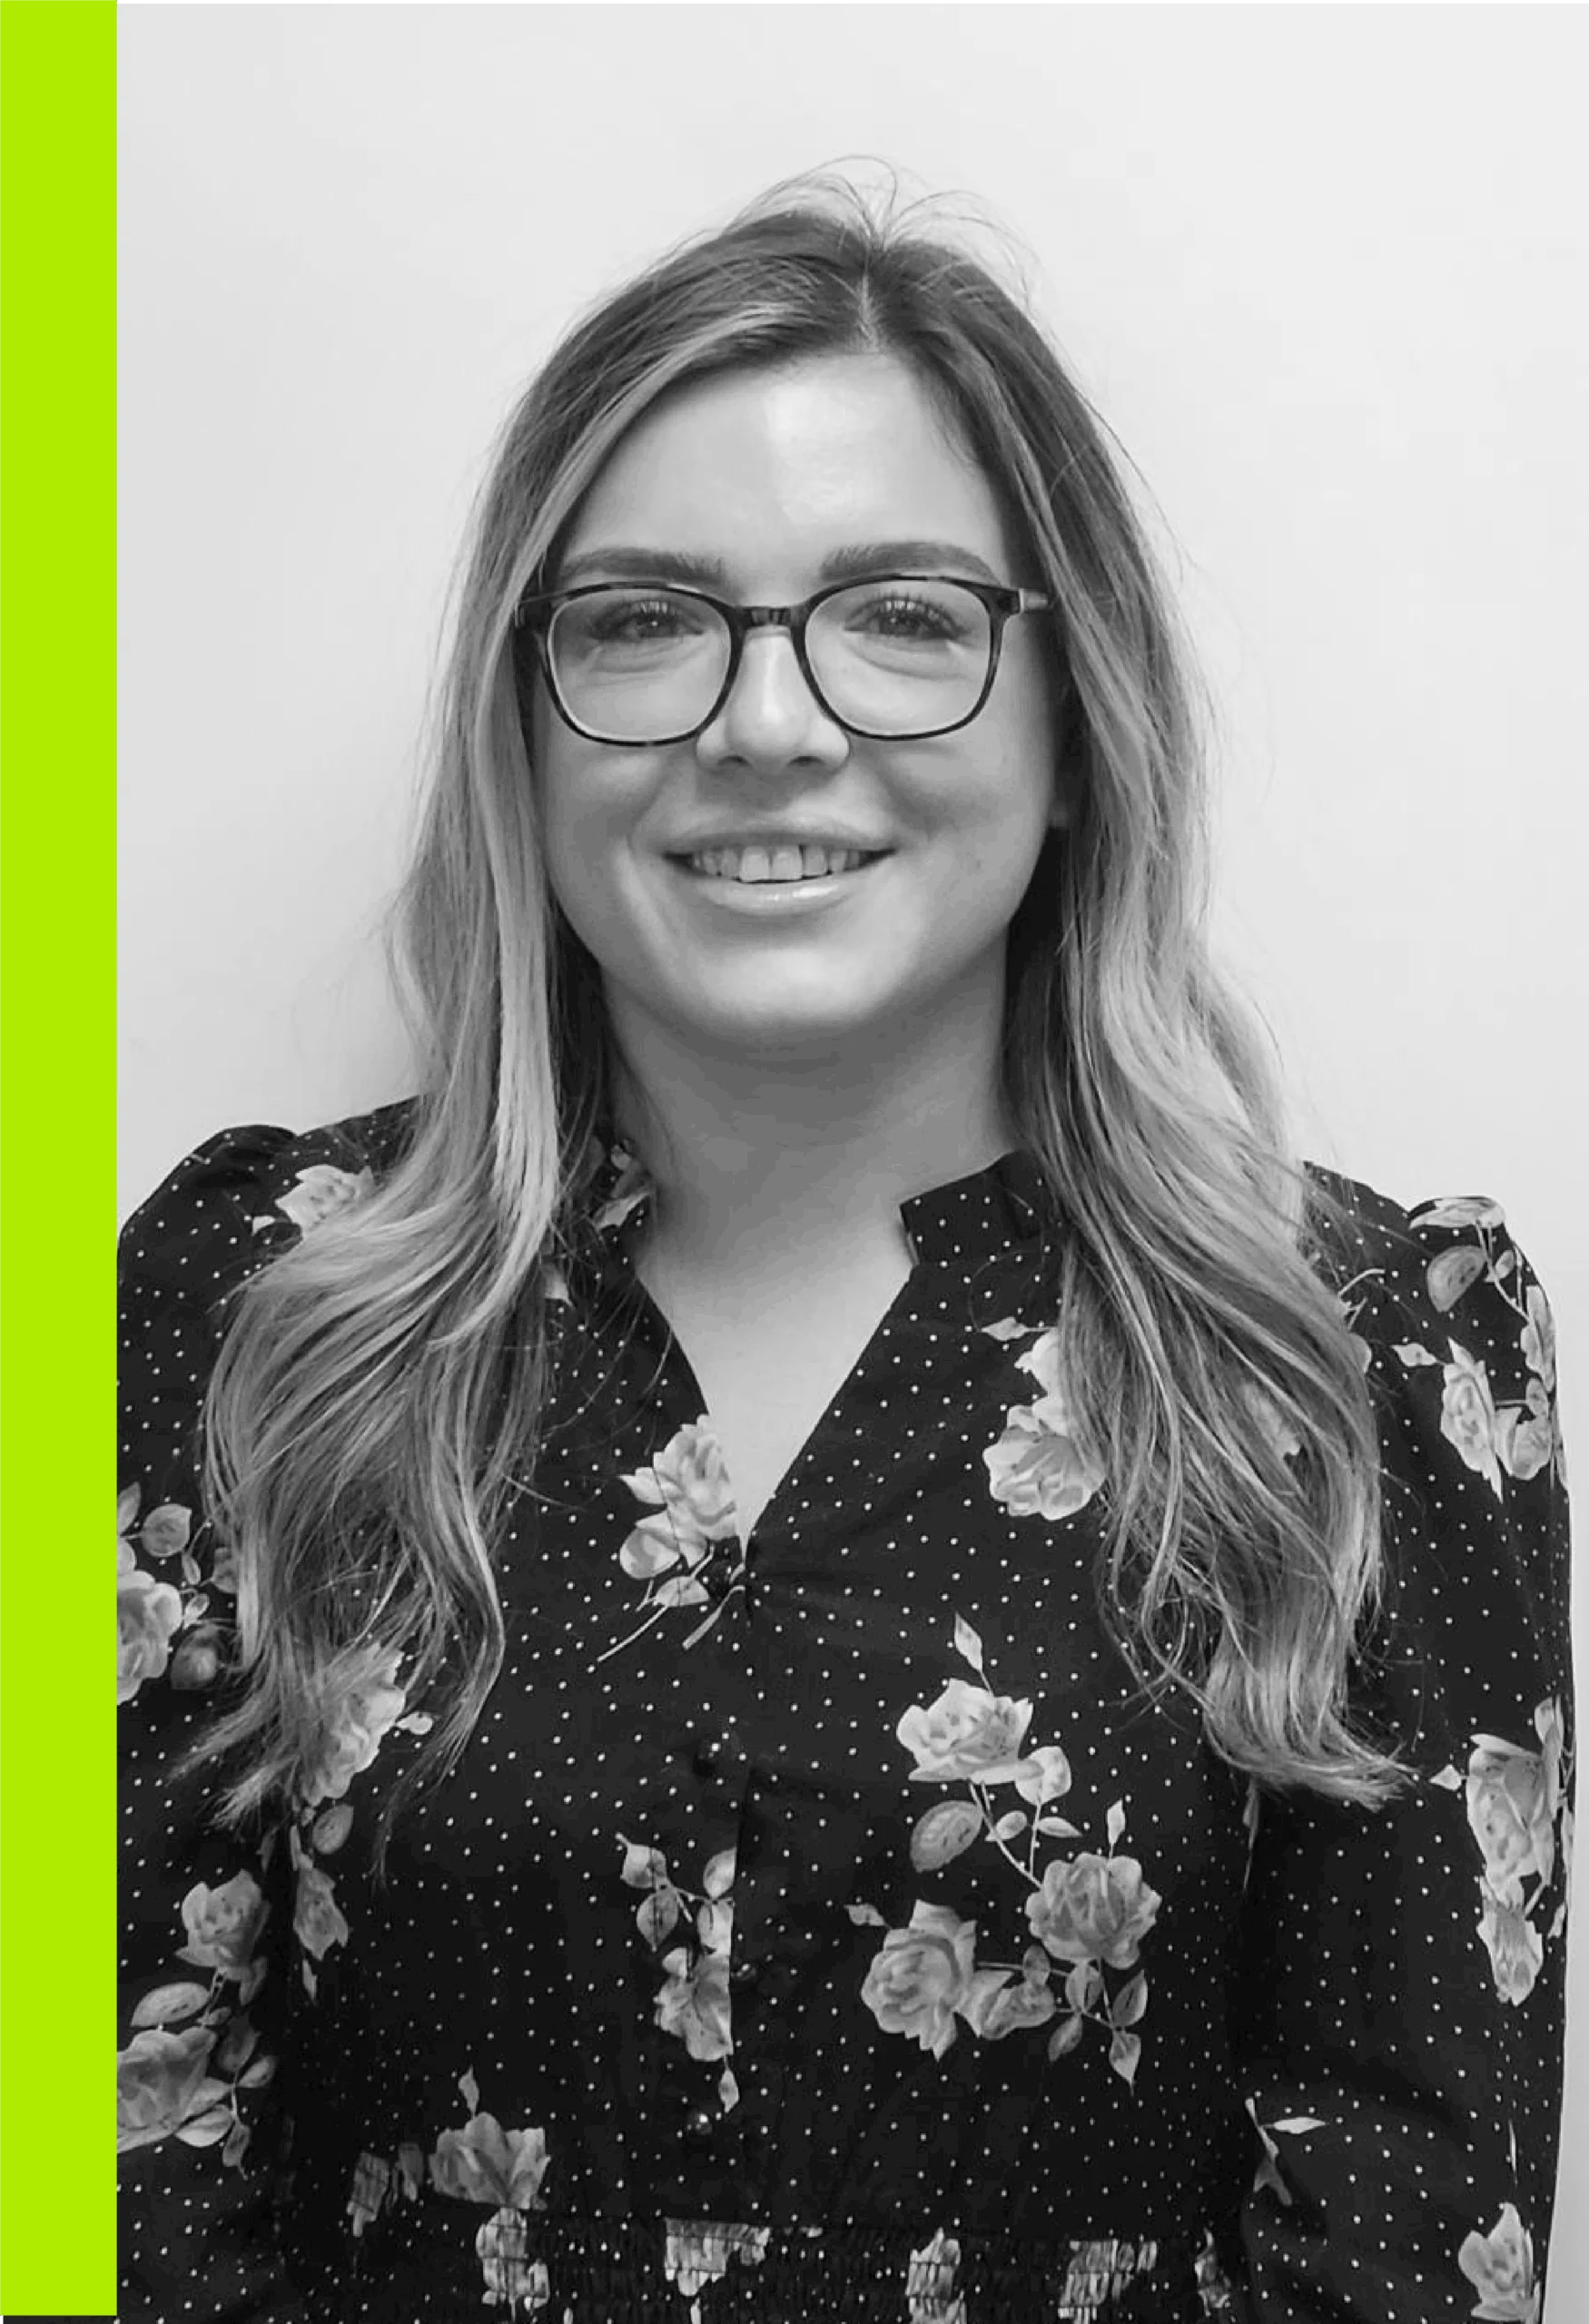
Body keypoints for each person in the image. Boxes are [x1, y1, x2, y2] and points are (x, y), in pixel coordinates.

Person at [118, 175, 1572, 2324]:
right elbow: (119, 2184)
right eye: (641, 620)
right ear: (522, 725)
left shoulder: (1358, 1357)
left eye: (898, 614)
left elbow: (1401, 2241)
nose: (764, 723)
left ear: (1069, 717)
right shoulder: (257, 1311)